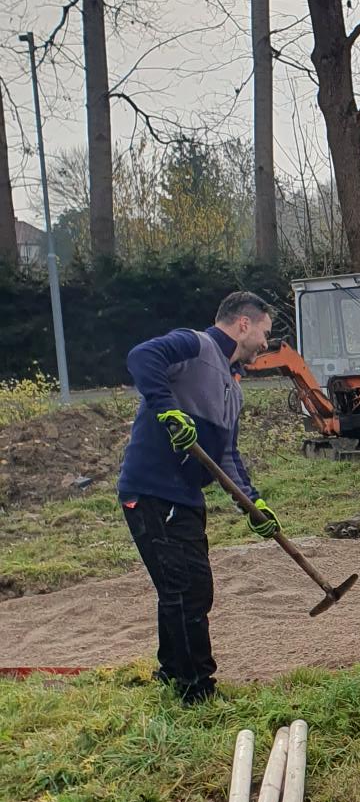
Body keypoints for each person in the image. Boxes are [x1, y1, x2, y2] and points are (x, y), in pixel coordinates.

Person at [118, 290, 279, 703]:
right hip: (152, 489)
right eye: (264, 332)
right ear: (243, 324)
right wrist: (167, 409)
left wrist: (253, 503)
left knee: (186, 587)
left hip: (187, 496)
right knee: (186, 587)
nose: (265, 344)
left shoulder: (233, 389)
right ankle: (197, 690)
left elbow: (227, 456)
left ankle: (173, 672)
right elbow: (142, 356)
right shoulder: (196, 345)